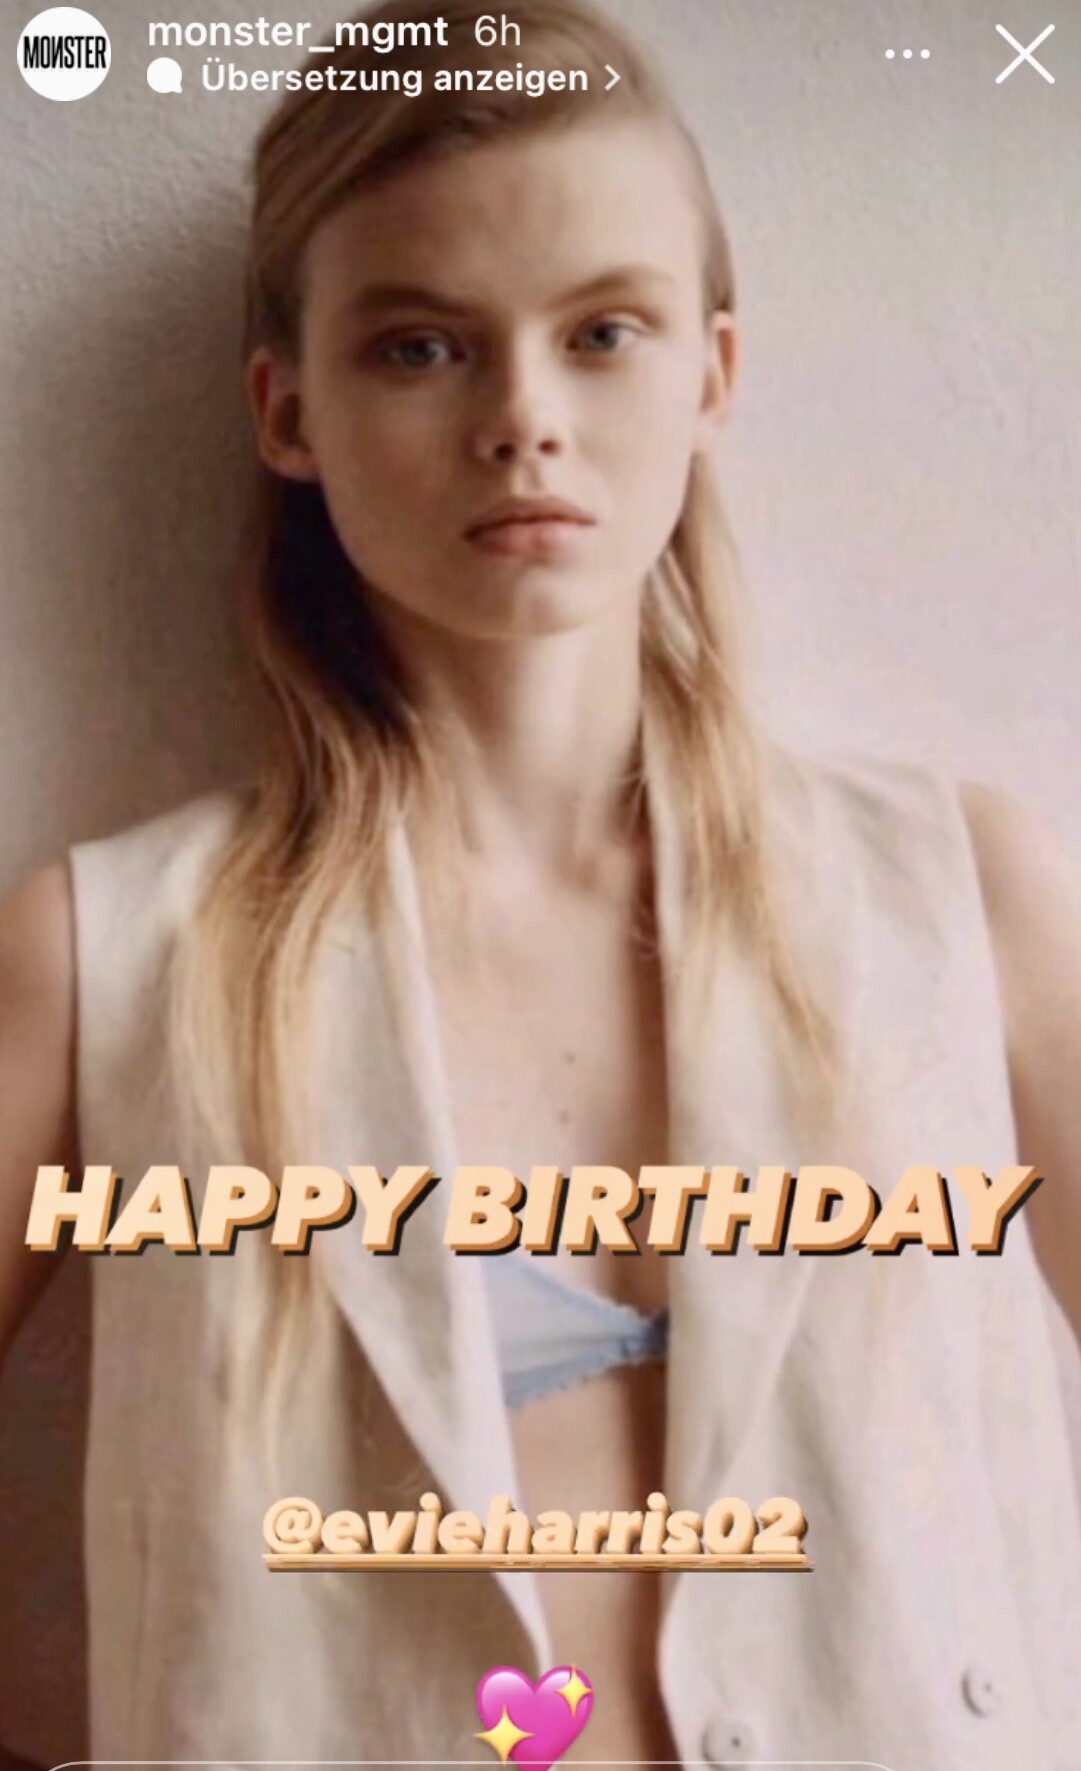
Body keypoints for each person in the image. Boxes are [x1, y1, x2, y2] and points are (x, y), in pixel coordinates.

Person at [1, 0, 1079, 1766]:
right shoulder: (107, 958)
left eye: (601, 333)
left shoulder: (961, 904)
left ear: (710, 373)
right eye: (420, 346)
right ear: (287, 409)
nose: (522, 419)